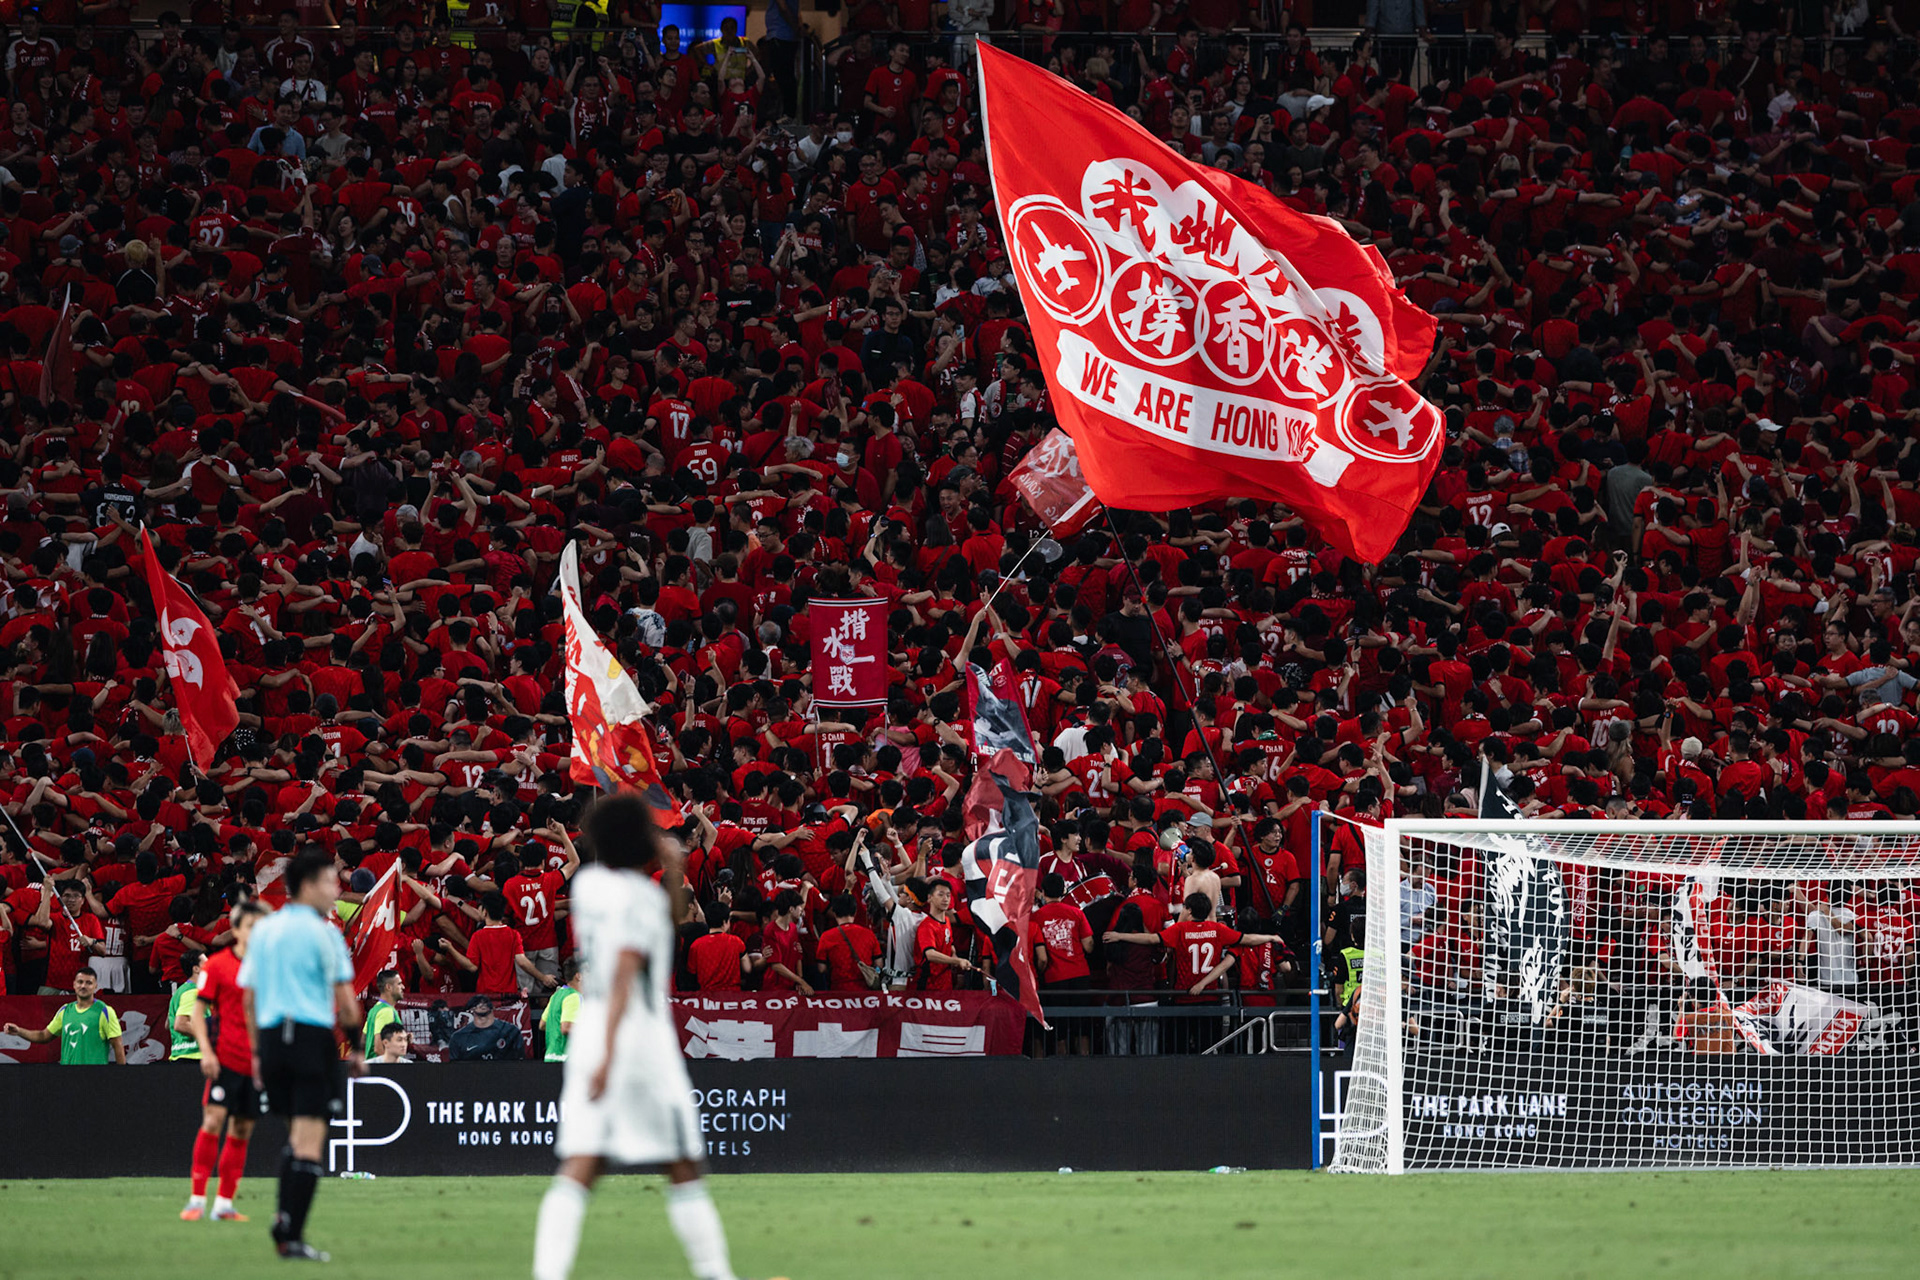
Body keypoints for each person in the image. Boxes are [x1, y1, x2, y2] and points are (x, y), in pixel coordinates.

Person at [531, 793, 743, 1280]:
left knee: (580, 1167)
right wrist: (611, 1051)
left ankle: (548, 1272)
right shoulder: (639, 897)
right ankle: (715, 1273)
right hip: (638, 1041)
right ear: (641, 838)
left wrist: (670, 872)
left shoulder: (591, 890)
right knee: (683, 1167)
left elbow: (654, 925)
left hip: (593, 1035)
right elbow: (630, 965)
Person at [239, 851, 362, 1263]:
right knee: (310, 1144)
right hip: (309, 1042)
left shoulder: (264, 930)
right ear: (309, 884)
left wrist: (257, 1051)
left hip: (272, 1042)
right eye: (331, 881)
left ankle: (282, 1219)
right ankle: (290, 1237)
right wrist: (358, 1047)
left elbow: (249, 997)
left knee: (296, 1137)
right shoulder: (325, 933)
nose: (338, 889)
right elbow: (346, 1006)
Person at [181, 900, 269, 1223]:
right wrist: (206, 1051)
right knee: (213, 1122)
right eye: (251, 927)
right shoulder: (217, 965)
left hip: (256, 1064)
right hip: (226, 1058)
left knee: (243, 1128)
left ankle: (224, 1204)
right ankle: (196, 1199)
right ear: (236, 930)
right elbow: (198, 1013)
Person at [4, 968, 124, 1064]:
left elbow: (117, 1044)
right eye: (80, 982)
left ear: (95, 986)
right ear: (74, 985)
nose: (83, 986)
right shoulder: (65, 1010)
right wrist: (19, 1031)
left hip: (94, 1078)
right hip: (66, 1077)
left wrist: (121, 1078)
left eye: (89, 983)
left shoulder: (105, 1011)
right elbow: (43, 1035)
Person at [448, 890, 559, 993]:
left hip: (487, 996)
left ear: (485, 912)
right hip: (509, 995)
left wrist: (450, 949)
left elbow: (472, 967)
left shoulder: (478, 936)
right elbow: (522, 961)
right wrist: (543, 978)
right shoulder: (513, 934)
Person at [815, 894, 881, 991]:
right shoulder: (869, 934)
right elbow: (879, 964)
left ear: (834, 913)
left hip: (839, 992)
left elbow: (821, 968)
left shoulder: (826, 937)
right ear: (855, 912)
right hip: (866, 992)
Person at [449, 995, 523, 1060]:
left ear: (493, 1007)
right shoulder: (458, 1037)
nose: (482, 1005)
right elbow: (454, 1068)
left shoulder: (511, 1031)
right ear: (471, 1009)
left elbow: (520, 1061)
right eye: (478, 1003)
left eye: (485, 1002)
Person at [168, 950, 207, 1063]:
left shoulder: (179, 992)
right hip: (193, 1056)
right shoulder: (193, 992)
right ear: (196, 969)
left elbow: (168, 1023)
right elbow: (180, 1024)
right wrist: (208, 1036)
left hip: (180, 1055)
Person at [542, 960, 582, 1063]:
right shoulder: (574, 996)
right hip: (565, 1059)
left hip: (550, 1057)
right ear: (578, 976)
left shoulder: (556, 995)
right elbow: (566, 1027)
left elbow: (542, 1024)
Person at [362, 969, 404, 1057]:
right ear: (388, 987)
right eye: (399, 984)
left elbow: (363, 1040)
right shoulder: (386, 1011)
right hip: (383, 1070)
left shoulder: (374, 1009)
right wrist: (392, 1066)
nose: (403, 987)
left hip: (373, 1068)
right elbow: (378, 1048)